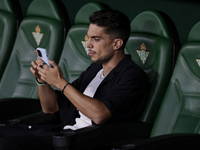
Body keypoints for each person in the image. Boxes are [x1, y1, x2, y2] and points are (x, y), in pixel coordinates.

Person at [0, 9, 149, 150]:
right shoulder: (95, 69)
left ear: (117, 43)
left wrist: (60, 82)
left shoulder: (132, 76)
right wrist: (42, 80)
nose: (88, 44)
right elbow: (51, 108)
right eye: (88, 38)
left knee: (7, 144)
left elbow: (99, 115)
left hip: (81, 141)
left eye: (96, 39)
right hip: (61, 133)